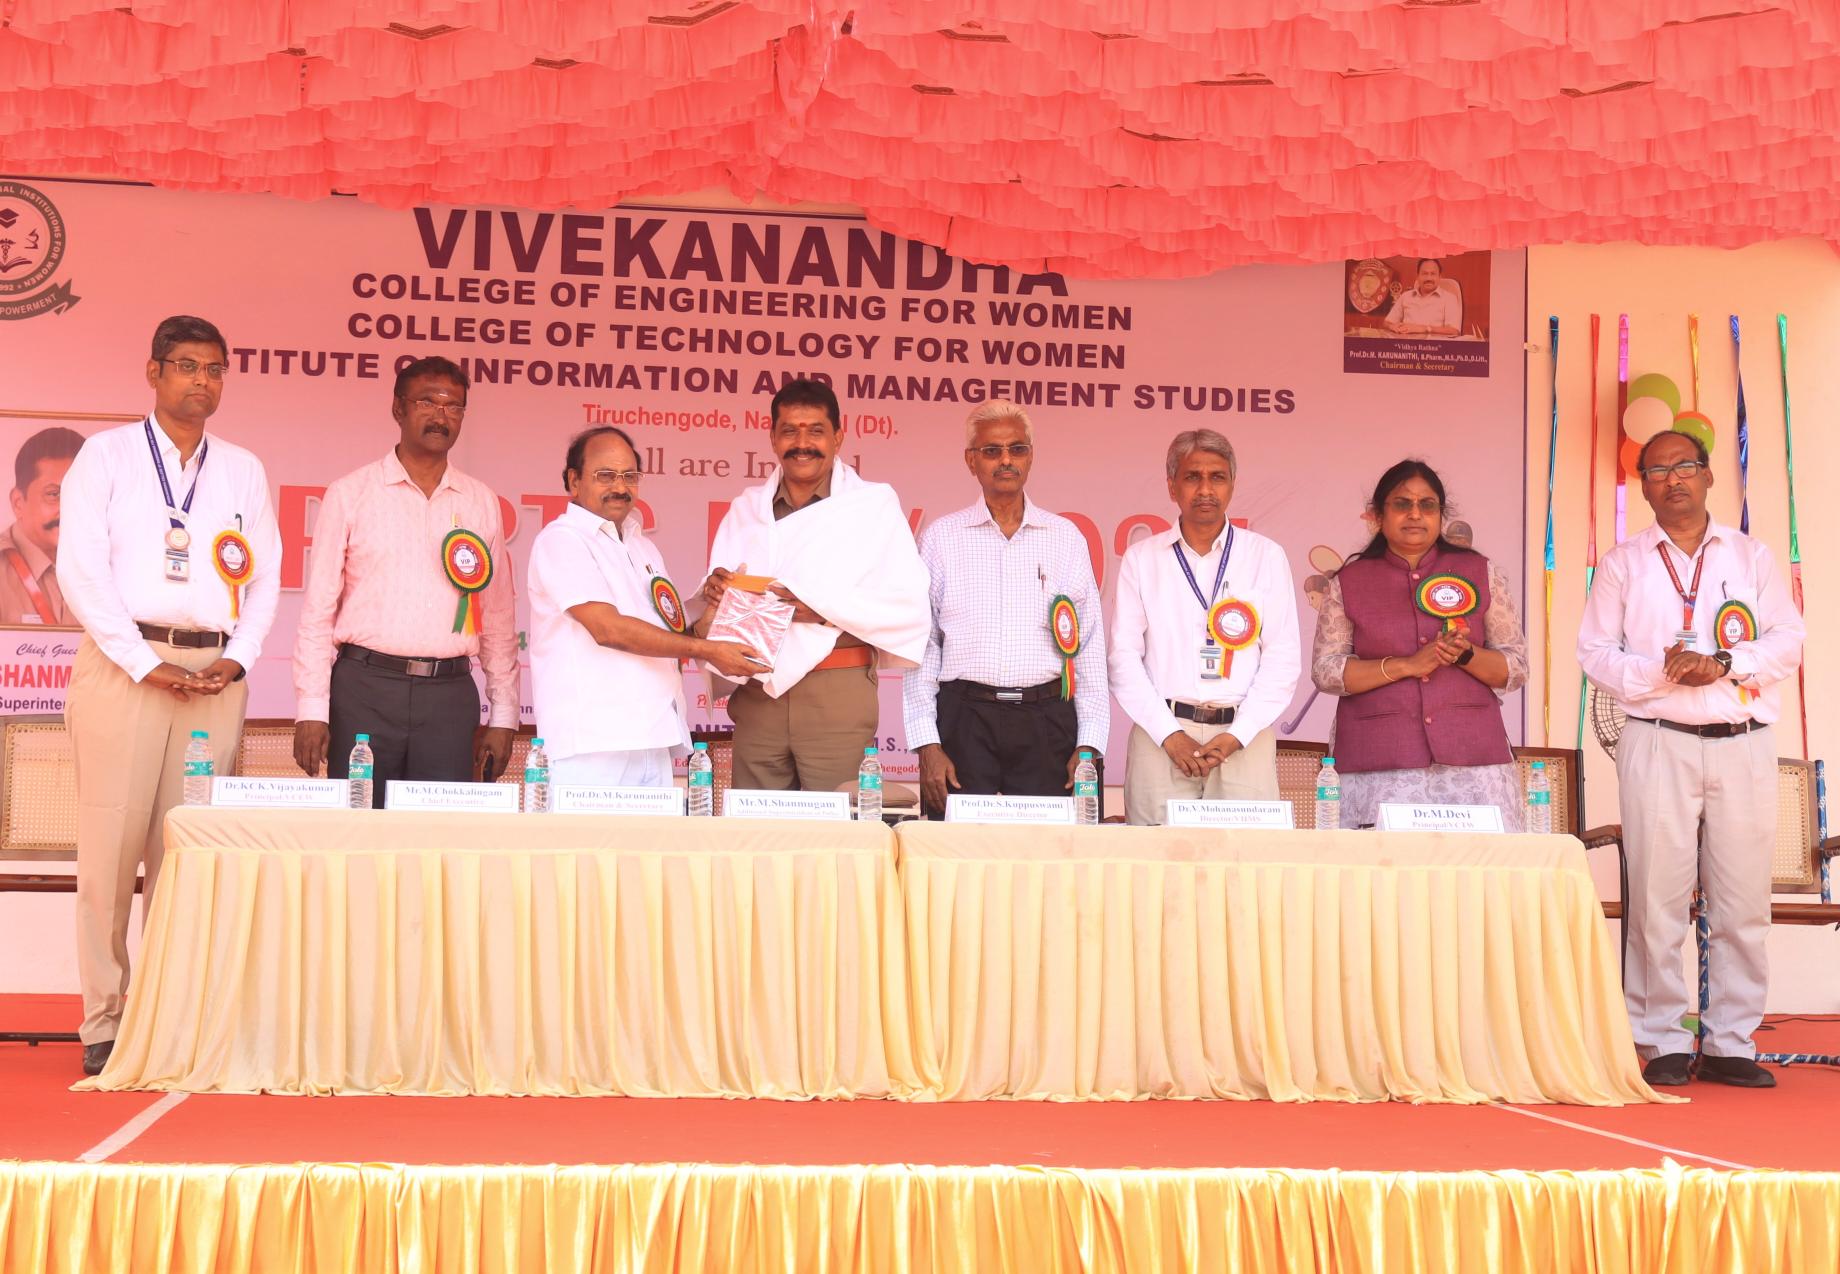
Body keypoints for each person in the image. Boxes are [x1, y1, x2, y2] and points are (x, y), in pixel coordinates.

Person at [57, 315, 281, 1076]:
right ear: (153, 372)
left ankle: (173, 1018)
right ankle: (105, 1022)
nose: (201, 381)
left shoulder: (242, 468)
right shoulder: (107, 455)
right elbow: (81, 571)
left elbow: (265, 577)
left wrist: (239, 660)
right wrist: (138, 660)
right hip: (127, 666)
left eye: (214, 369)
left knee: (186, 854)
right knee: (110, 854)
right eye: (186, 366)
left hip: (211, 675)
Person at [1579, 430, 1804, 1089]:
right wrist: (1667, 672)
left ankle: (1731, 1041)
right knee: (1656, 899)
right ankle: (1661, 1039)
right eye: (1657, 470)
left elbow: (1789, 640)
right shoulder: (1622, 563)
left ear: (1709, 476)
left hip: (1744, 742)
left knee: (1742, 901)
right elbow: (1594, 652)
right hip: (1657, 739)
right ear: (1642, 486)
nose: (1672, 478)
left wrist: (1723, 663)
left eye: (1685, 466)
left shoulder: (1751, 555)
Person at [292, 356, 518, 802]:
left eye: (453, 406)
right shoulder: (351, 493)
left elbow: (497, 617)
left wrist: (504, 715)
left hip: (449, 696)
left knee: (438, 832)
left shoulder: (480, 501)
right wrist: (311, 708)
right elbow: (318, 610)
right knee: (360, 829)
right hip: (364, 690)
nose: (441, 416)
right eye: (427, 402)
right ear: (398, 408)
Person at [701, 378, 929, 792]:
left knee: (837, 822)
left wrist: (822, 611)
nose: (802, 444)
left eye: (816, 431)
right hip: (759, 691)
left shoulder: (872, 506)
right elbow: (723, 602)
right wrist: (715, 589)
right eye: (790, 431)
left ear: (839, 437)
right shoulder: (746, 509)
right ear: (772, 437)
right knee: (757, 824)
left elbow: (906, 604)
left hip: (837, 690)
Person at [527, 427, 766, 786]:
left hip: (654, 736)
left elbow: (667, 632)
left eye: (630, 476)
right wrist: (707, 649)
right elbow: (608, 629)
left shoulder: (641, 546)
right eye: (605, 475)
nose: (620, 487)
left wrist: (710, 613)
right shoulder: (562, 541)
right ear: (574, 481)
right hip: (593, 746)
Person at [902, 401, 1109, 816]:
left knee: (1049, 848)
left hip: (1047, 719)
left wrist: (1089, 743)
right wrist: (927, 743)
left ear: (1030, 456)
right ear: (971, 460)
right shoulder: (942, 538)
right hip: (964, 718)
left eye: (1017, 449)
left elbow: (1087, 645)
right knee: (955, 848)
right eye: (992, 451)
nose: (1006, 460)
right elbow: (923, 646)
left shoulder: (1065, 537)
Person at [1310, 460, 1528, 829]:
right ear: (1378, 515)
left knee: (1477, 865)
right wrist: (1406, 665)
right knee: (1382, 866)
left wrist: (1466, 654)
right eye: (1402, 504)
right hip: (1379, 757)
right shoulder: (1349, 581)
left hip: (1472, 758)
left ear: (1441, 515)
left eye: (1427, 505)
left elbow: (1516, 668)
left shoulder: (1480, 571)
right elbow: (1326, 671)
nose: (1415, 514)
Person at [1109, 429, 1300, 824]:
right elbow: (1123, 659)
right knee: (1155, 856)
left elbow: (1282, 658)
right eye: (1192, 477)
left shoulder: (1265, 556)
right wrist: (1169, 734)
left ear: (1233, 484)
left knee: (1244, 858)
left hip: (1244, 734)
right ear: (1171, 486)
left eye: (1217, 477)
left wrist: (1238, 735)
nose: (1206, 489)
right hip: (1162, 735)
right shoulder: (1142, 559)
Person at [0, 426, 82, 625]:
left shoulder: (117, 565)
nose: (70, 509)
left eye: (81, 492)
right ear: (18, 503)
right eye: (54, 494)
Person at [1384, 258, 1461, 337]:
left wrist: (1425, 329)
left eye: (1433, 274)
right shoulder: (1406, 296)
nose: (1428, 278)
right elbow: (1387, 322)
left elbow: (1454, 331)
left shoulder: (1449, 299)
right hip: (1406, 343)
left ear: (1439, 277)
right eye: (1424, 274)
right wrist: (1392, 326)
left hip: (1433, 344)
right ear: (1417, 276)